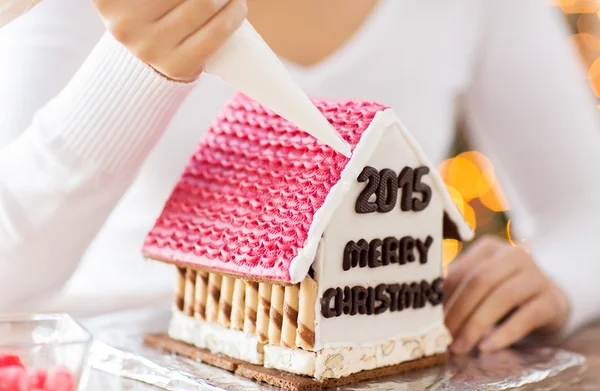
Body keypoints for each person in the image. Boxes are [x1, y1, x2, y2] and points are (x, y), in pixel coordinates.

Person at [0, 0, 598, 356]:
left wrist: (558, 277)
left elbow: (586, 208)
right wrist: (136, 70)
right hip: (107, 363)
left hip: (365, 362)